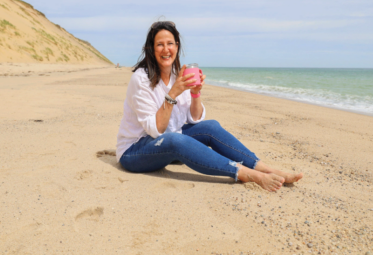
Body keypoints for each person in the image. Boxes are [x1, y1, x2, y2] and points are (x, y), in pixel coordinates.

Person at [116, 21, 303, 191]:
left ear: (177, 46)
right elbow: (156, 130)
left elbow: (194, 119)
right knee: (175, 140)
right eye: (160, 44)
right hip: (135, 151)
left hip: (166, 143)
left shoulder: (177, 74)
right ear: (151, 49)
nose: (166, 49)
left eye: (170, 43)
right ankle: (244, 173)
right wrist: (173, 93)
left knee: (210, 127)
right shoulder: (141, 79)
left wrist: (195, 92)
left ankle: (266, 169)